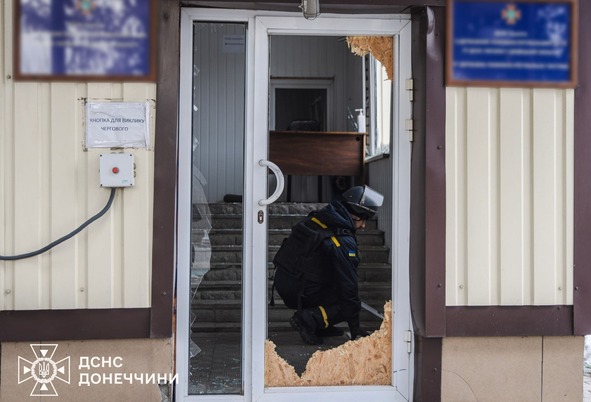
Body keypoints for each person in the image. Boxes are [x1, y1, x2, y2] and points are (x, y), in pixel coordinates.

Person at [272, 185, 384, 345]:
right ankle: (309, 320)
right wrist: (354, 324)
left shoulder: (320, 218)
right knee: (348, 301)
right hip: (299, 288)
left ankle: (321, 325)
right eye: (363, 219)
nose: (364, 226)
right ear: (353, 215)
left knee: (335, 284)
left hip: (285, 280)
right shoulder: (341, 239)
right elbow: (348, 284)